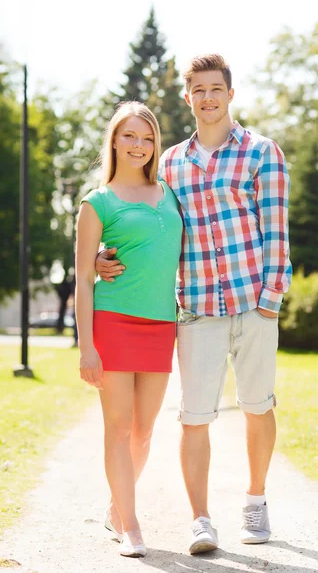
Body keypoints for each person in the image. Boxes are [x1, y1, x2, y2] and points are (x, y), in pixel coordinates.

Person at [95, 54, 292, 554]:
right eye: (198, 90)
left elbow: (276, 230)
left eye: (215, 89)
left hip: (253, 304)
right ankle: (201, 519)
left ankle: (256, 500)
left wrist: (270, 300)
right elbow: (140, 216)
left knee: (256, 406)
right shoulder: (172, 164)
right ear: (188, 98)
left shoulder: (262, 153)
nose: (207, 97)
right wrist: (103, 254)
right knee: (194, 417)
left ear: (230, 93)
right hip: (197, 308)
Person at [75, 101, 183, 558]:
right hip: (114, 322)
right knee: (118, 429)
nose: (139, 145)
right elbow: (83, 277)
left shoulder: (169, 192)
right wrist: (87, 348)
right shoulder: (96, 203)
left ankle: (116, 506)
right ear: (114, 141)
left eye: (147, 137)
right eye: (130, 136)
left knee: (144, 430)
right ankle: (131, 524)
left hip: (162, 323)